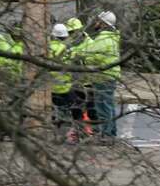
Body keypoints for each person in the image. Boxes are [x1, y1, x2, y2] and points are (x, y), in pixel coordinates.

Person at [81, 10, 121, 138]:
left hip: (102, 77)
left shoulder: (103, 38)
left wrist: (84, 57)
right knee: (109, 106)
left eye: (99, 21)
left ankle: (106, 135)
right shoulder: (111, 37)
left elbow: (92, 56)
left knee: (103, 107)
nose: (96, 23)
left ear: (104, 24)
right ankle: (111, 133)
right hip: (109, 76)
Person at [48, 23, 74, 135]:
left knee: (53, 111)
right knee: (66, 111)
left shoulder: (47, 47)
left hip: (51, 87)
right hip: (66, 86)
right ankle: (65, 131)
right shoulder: (68, 49)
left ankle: (55, 130)